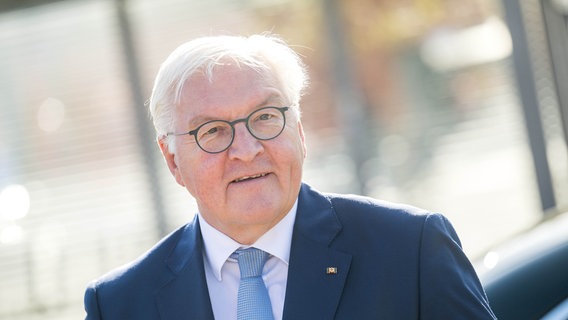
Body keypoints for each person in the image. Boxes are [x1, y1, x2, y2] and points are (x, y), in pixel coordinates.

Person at [84, 33, 496, 319]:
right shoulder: (120, 304)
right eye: (212, 131)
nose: (247, 150)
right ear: (172, 160)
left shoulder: (411, 249)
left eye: (265, 118)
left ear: (298, 130)